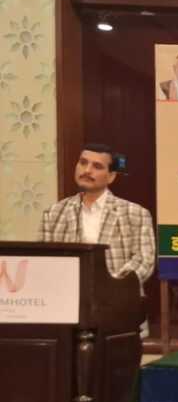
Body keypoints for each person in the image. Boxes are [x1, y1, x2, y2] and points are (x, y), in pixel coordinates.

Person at [38, 143, 155, 334]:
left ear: (111, 176)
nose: (87, 170)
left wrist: (108, 286)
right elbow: (44, 262)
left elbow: (144, 261)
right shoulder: (54, 213)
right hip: (66, 311)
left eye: (97, 166)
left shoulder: (135, 213)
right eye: (83, 163)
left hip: (120, 311)